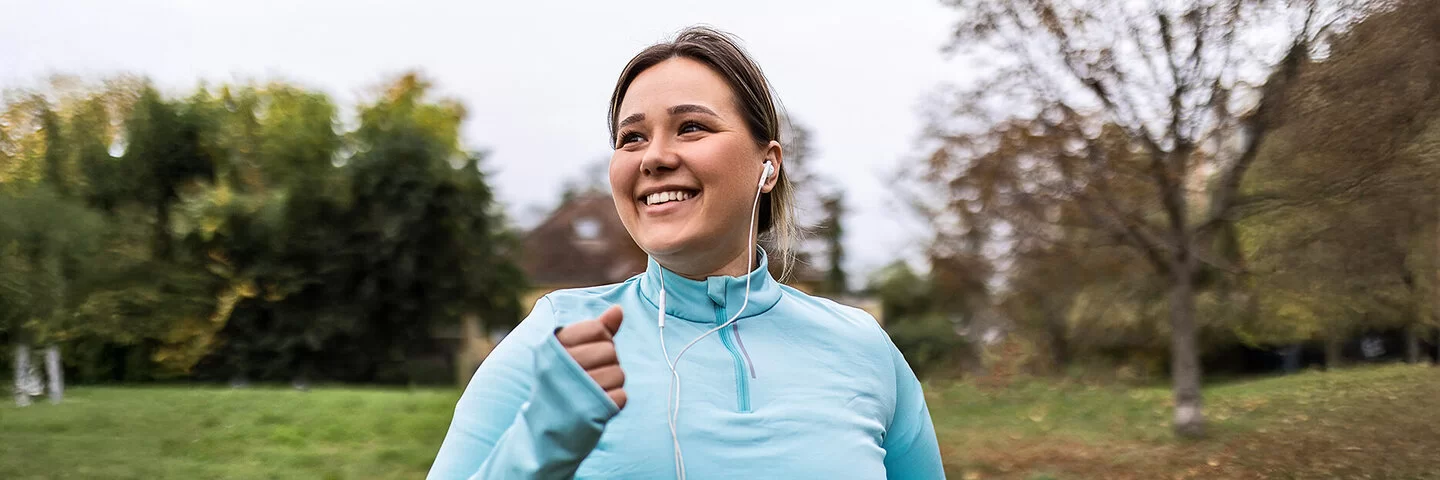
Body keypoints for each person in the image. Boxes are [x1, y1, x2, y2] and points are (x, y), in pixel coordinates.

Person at [427, 26, 945, 479]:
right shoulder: (556, 338)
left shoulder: (863, 349)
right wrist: (536, 447)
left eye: (691, 126)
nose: (654, 157)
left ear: (768, 165)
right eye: (632, 137)